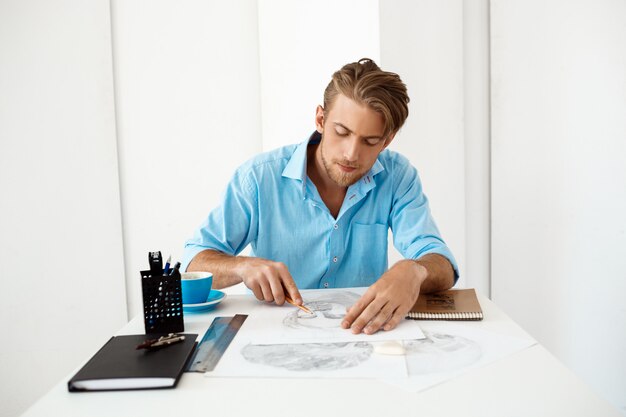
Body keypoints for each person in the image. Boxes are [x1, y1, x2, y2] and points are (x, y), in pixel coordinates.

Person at [182, 58, 458, 335]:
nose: (351, 154)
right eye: (342, 132)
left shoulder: (398, 177)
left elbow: (441, 262)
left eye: (370, 141)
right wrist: (242, 266)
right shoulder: (258, 177)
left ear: (387, 141)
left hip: (363, 338)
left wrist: (414, 271)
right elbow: (194, 261)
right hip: (275, 338)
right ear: (320, 119)